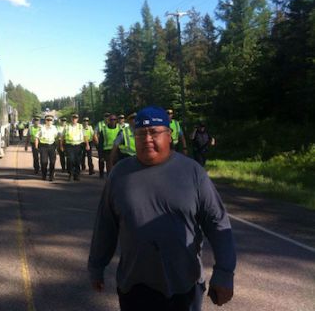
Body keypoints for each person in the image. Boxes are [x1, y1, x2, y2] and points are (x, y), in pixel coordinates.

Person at [88, 106, 236, 311]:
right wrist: (96, 266)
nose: (147, 139)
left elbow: (218, 223)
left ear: (169, 135)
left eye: (154, 132)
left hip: (184, 286)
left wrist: (225, 273)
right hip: (134, 285)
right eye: (140, 134)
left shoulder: (192, 172)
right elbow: (105, 225)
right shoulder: (119, 175)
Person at [60, 114, 89, 181]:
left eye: (76, 118)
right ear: (71, 119)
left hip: (78, 146)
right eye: (73, 118)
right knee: (70, 160)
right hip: (69, 146)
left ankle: (77, 175)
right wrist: (61, 145)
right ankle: (70, 174)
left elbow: (85, 136)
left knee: (77, 161)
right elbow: (62, 137)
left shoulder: (80, 126)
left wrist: (87, 144)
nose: (74, 119)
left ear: (77, 119)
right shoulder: (67, 126)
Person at [35, 115, 59, 181]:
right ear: (45, 121)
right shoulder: (41, 128)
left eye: (50, 120)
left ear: (52, 121)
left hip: (52, 146)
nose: (49, 121)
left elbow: (57, 138)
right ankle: (44, 175)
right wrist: (36, 147)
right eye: (47, 120)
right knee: (43, 162)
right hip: (43, 147)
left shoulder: (54, 128)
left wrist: (57, 147)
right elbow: (37, 137)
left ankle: (51, 176)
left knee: (52, 162)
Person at [93, 112, 111, 178]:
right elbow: (95, 133)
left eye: (108, 116)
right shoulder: (100, 124)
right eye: (106, 116)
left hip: (110, 146)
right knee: (101, 159)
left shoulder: (112, 123)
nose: (107, 117)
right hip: (101, 145)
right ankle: (101, 173)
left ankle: (110, 174)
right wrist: (97, 144)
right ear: (104, 117)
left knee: (110, 160)